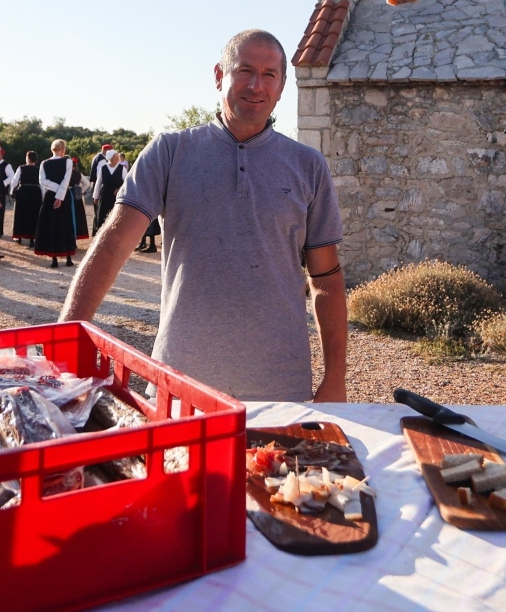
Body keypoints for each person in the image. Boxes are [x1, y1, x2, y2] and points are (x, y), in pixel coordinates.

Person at [59, 30, 348, 402]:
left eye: (269, 74)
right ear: (218, 76)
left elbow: (325, 278)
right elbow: (114, 243)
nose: (256, 85)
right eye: (244, 70)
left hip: (281, 390)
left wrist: (335, 377)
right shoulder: (169, 152)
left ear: (281, 86)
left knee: (272, 464)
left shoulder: (308, 166)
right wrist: (66, 335)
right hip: (179, 386)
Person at [34, 140, 80, 268]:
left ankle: (54, 259)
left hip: (50, 196)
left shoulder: (44, 163)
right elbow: (66, 181)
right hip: (63, 195)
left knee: (52, 224)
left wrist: (55, 191)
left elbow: (43, 181)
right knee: (65, 224)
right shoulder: (67, 162)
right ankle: (68, 257)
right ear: (63, 149)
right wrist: (59, 194)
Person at [10, 151, 42, 245]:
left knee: (21, 214)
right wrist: (43, 196)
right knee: (34, 215)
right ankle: (32, 238)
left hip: (23, 191)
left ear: (27, 158)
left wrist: (12, 191)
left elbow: (14, 181)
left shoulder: (21, 168)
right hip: (35, 192)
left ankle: (19, 236)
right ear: (36, 160)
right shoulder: (38, 169)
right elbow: (42, 184)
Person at [92, 148, 126, 233]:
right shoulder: (103, 168)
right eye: (115, 157)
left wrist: (119, 189)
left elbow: (126, 182)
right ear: (110, 158)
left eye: (117, 156)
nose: (118, 158)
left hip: (117, 196)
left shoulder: (122, 168)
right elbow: (98, 183)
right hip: (105, 195)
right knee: (102, 215)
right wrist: (95, 197)